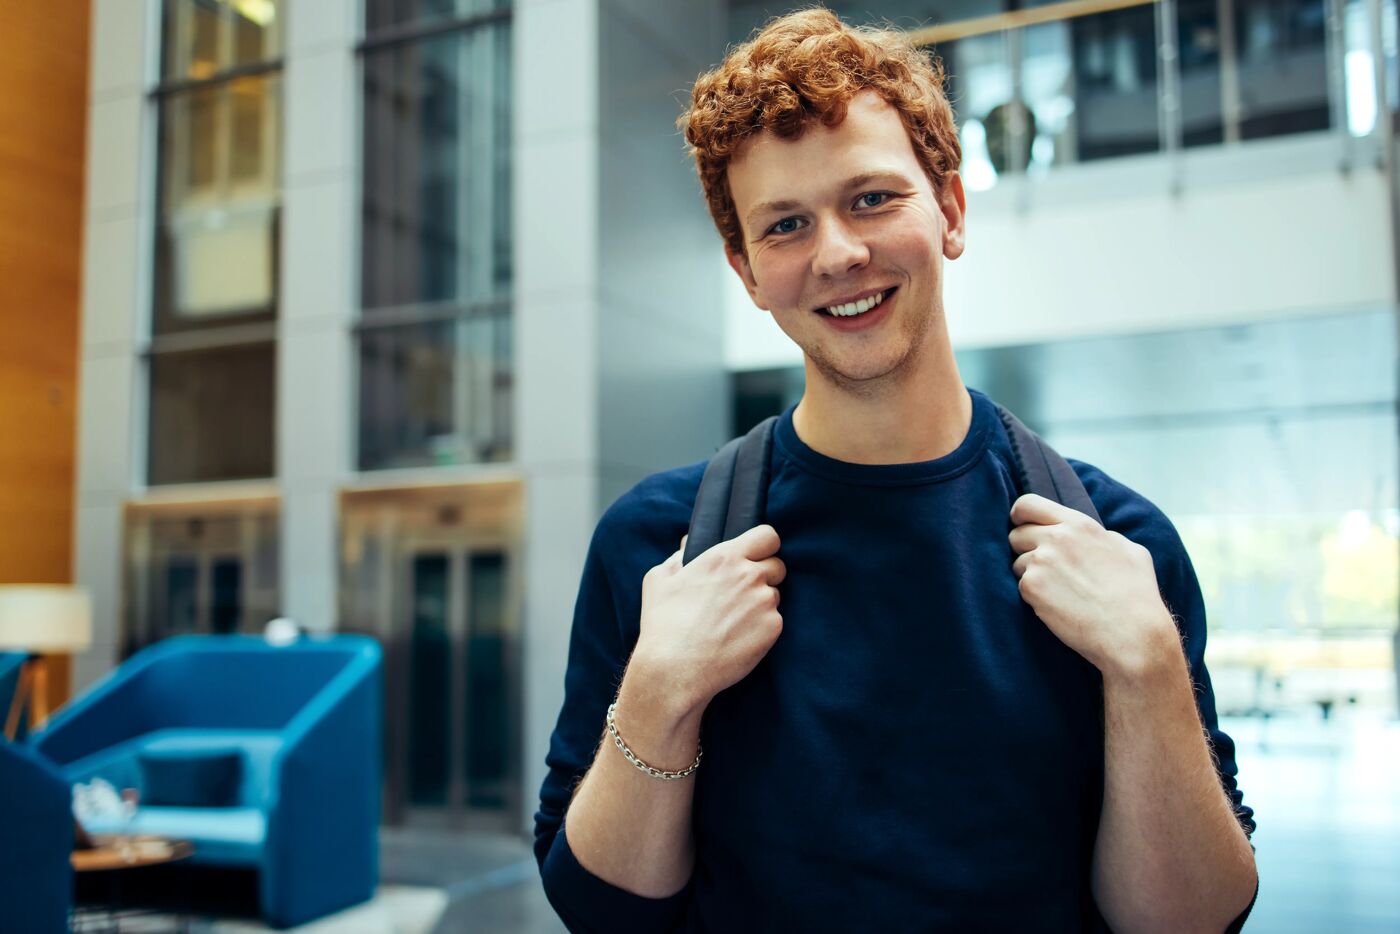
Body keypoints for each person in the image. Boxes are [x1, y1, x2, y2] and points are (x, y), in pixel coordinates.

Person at [534, 9, 1258, 932]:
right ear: (748, 271)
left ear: (949, 209)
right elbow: (596, 911)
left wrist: (1149, 668)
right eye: (786, 224)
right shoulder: (659, 547)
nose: (837, 253)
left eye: (873, 198)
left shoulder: (1116, 546)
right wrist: (658, 692)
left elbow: (1194, 923)